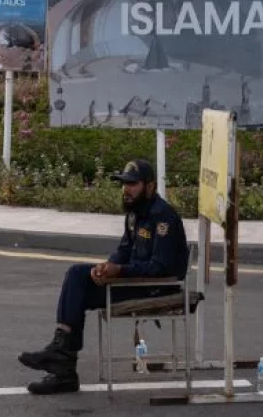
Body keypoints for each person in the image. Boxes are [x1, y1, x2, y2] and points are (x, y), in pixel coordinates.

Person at [18, 158, 189, 395]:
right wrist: (106, 267)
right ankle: (62, 360)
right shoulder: (134, 214)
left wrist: (120, 272)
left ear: (150, 186)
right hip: (133, 282)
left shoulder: (163, 217)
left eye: (133, 184)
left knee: (78, 285)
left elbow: (160, 268)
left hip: (155, 287)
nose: (126, 189)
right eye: (124, 184)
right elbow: (124, 251)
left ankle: (63, 365)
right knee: (77, 276)